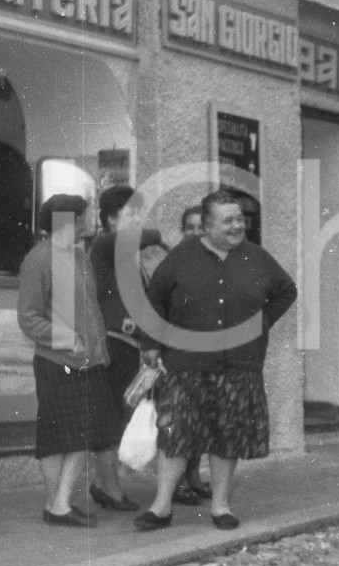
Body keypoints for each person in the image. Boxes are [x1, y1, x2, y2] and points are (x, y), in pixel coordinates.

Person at [136, 189, 297, 531]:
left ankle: (221, 506)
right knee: (175, 434)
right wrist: (150, 343)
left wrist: (260, 323)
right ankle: (161, 506)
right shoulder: (180, 258)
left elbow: (286, 291)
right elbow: (153, 302)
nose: (237, 226)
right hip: (185, 364)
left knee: (228, 436)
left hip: (239, 365)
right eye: (228, 221)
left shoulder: (257, 257)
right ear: (207, 226)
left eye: (240, 219)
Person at [17, 194, 123, 527]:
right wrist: (70, 341)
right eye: (85, 215)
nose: (90, 220)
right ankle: (57, 504)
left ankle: (58, 503)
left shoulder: (80, 258)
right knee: (61, 435)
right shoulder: (38, 259)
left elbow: (89, 311)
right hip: (57, 362)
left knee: (80, 433)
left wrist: (98, 348)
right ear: (68, 220)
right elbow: (29, 317)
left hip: (88, 361)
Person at [88, 184, 167, 511]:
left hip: (128, 347)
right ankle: (109, 488)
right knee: (110, 418)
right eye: (130, 214)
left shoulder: (127, 257)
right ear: (109, 219)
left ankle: (105, 484)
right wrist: (160, 236)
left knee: (120, 416)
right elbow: (143, 236)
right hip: (113, 345)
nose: (137, 221)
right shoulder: (105, 246)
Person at [169, 204, 211, 506]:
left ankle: (194, 475)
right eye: (189, 227)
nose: (195, 233)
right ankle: (178, 481)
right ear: (182, 231)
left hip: (208, 351)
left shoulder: (216, 261)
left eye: (200, 227)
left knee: (203, 419)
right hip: (180, 351)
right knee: (181, 421)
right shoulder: (175, 262)